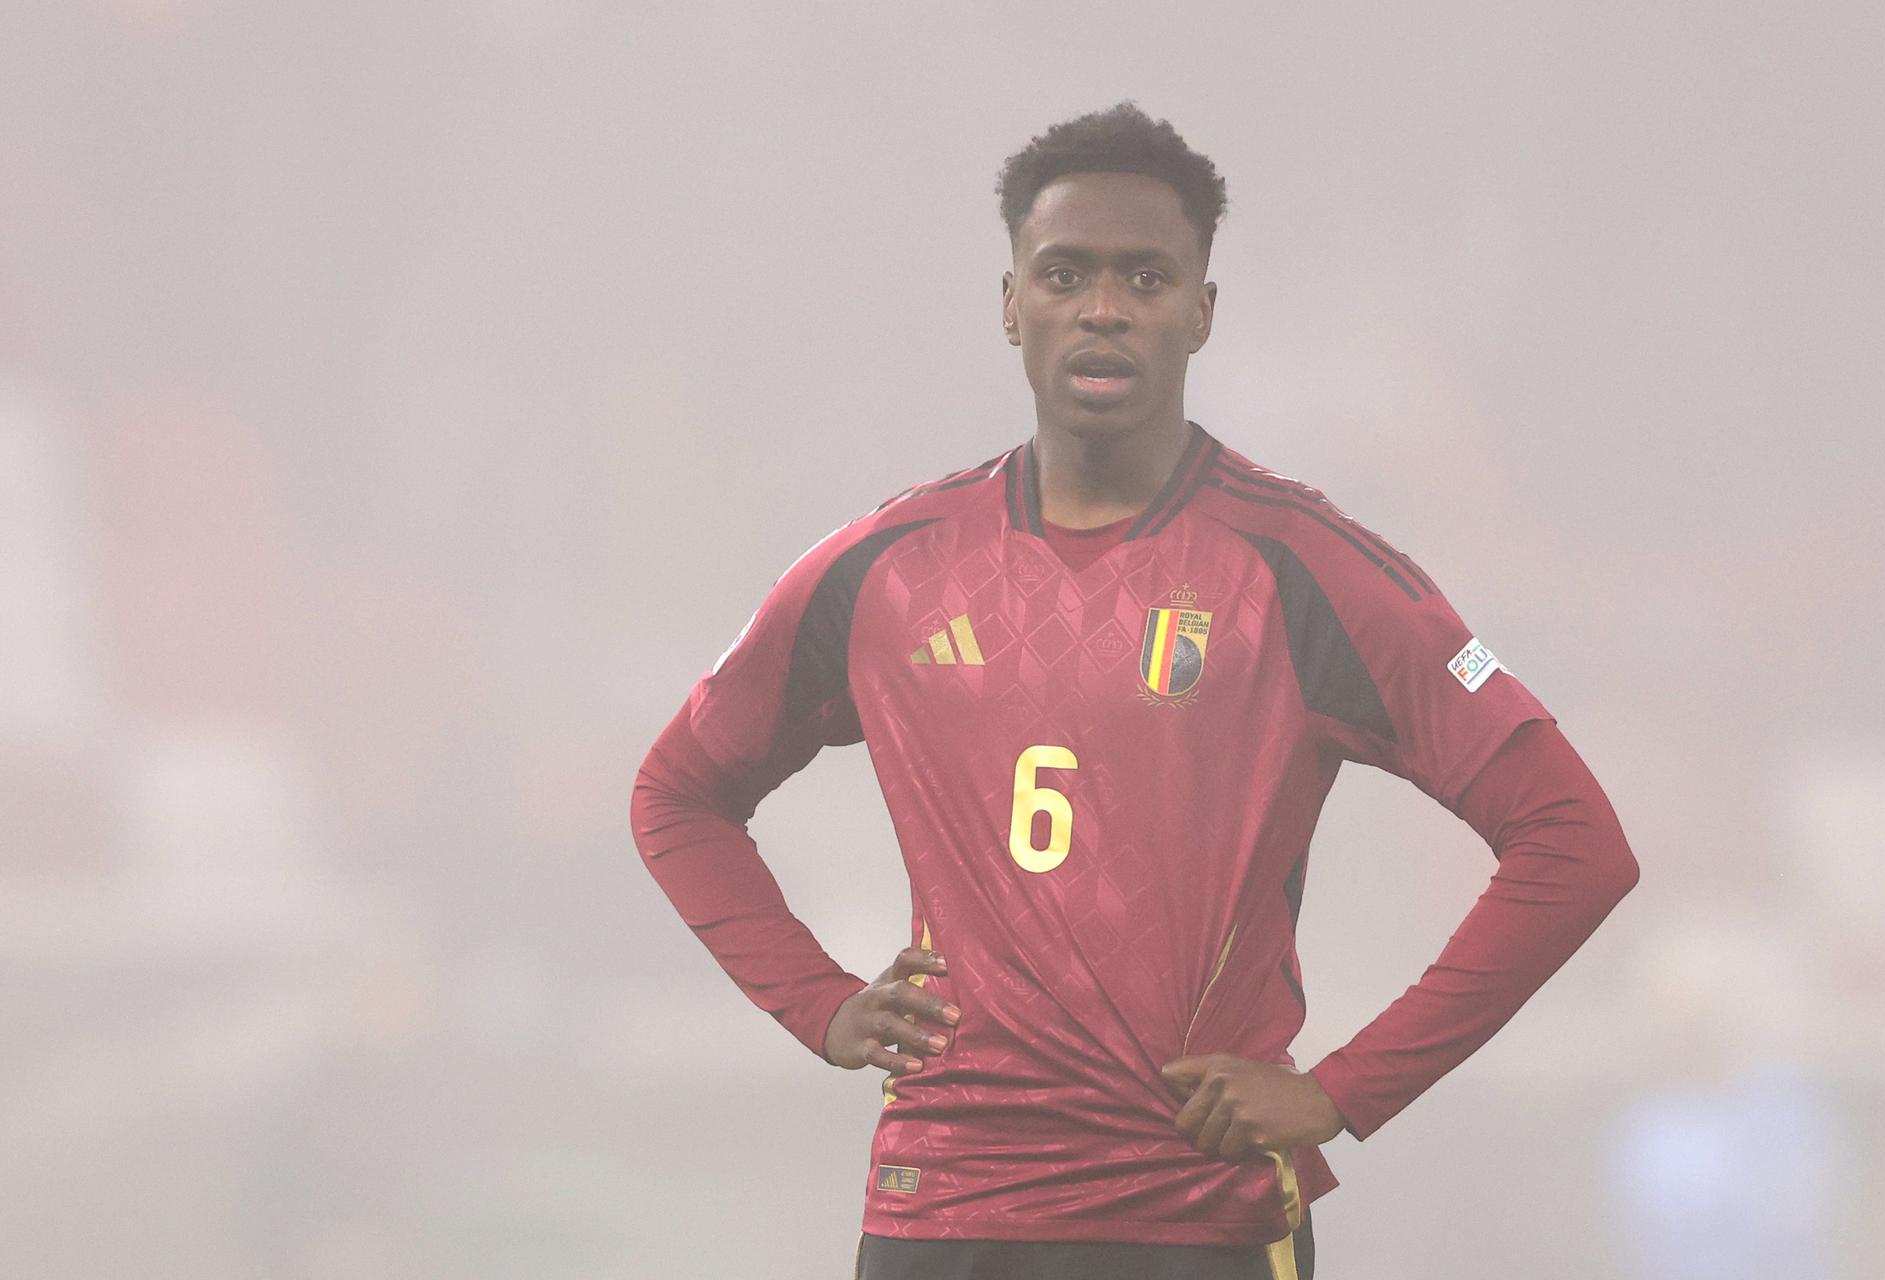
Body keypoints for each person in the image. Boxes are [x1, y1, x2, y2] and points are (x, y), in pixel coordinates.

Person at [630, 101, 1639, 1280]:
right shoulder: (887, 569)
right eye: (1065, 273)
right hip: (937, 1211)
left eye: (1146, 277)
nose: (1103, 306)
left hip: (1190, 1217)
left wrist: (1346, 1089)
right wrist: (817, 1001)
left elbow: (1576, 842)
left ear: (1203, 312)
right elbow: (678, 791)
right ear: (1011, 303)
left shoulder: (1303, 567)